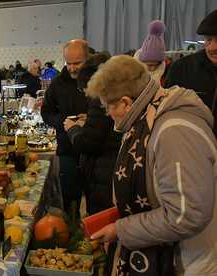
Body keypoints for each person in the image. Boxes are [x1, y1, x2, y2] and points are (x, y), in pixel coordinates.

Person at [89, 55, 217, 275]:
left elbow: (186, 214)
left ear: (126, 103)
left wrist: (122, 229)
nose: (108, 114)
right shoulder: (149, 118)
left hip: (187, 262)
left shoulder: (173, 131)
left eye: (107, 107)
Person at [63, 53, 121, 215]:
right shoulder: (113, 95)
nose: (85, 94)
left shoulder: (99, 101)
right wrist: (88, 121)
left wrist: (72, 128)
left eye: (84, 89)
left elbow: (87, 143)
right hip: (110, 171)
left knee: (101, 222)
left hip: (103, 175)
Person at [41, 39, 89, 215]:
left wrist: (88, 120)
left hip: (91, 150)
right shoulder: (58, 83)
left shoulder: (97, 80)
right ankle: (71, 229)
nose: (72, 68)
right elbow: (46, 112)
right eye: (68, 63)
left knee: (93, 197)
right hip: (67, 149)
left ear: (87, 58)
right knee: (69, 197)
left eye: (77, 63)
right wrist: (63, 122)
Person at [164, 9, 217, 133]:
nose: (213, 47)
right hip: (191, 146)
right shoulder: (181, 69)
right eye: (208, 40)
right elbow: (166, 110)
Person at [135, 20, 168, 84]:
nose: (152, 68)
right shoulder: (132, 75)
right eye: (149, 65)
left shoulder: (163, 74)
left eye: (156, 65)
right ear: (141, 62)